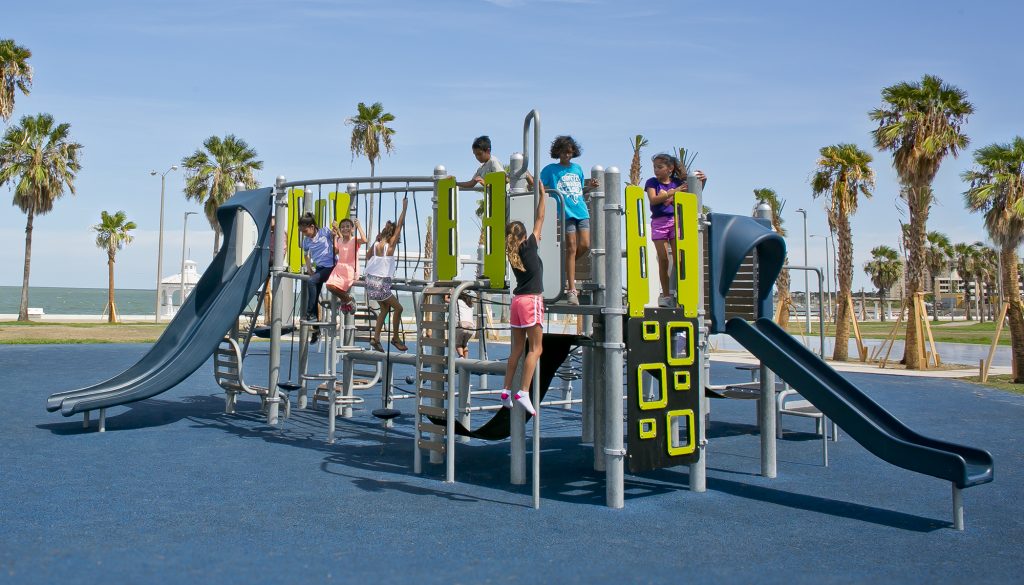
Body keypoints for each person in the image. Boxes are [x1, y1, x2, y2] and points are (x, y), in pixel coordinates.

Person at [500, 190, 546, 416]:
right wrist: (543, 195)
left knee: (517, 349)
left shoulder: (512, 252)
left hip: (517, 302)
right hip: (531, 301)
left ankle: (506, 390)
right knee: (536, 348)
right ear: (524, 236)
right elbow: (540, 218)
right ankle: (524, 391)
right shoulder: (529, 246)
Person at [539, 135, 598, 305]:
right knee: (571, 247)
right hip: (565, 212)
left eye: (570, 153)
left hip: (581, 210)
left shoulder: (578, 168)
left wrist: (590, 187)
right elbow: (539, 185)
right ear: (558, 152)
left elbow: (579, 191)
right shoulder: (550, 169)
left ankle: (565, 268)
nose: (567, 156)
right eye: (564, 152)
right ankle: (572, 289)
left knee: (585, 245)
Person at [645, 153, 707, 307]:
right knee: (663, 258)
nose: (656, 170)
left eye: (660, 167)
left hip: (675, 222)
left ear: (670, 168)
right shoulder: (652, 182)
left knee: (680, 259)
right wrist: (673, 192)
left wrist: (703, 181)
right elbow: (653, 199)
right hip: (659, 222)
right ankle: (666, 295)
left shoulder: (678, 182)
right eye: (654, 167)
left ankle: (681, 292)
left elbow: (693, 196)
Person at [365, 195, 409, 352]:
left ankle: (376, 339)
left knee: (384, 309)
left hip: (370, 283)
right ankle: (395, 338)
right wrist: (404, 209)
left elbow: (368, 256)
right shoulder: (390, 247)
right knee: (399, 309)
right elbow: (400, 226)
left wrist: (377, 239)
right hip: (381, 283)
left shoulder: (376, 245)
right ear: (392, 238)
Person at [298, 212, 335, 343]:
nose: (304, 233)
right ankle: (316, 330)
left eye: (305, 230)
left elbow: (336, 238)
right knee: (313, 297)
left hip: (330, 266)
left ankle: (310, 315)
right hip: (319, 268)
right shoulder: (306, 241)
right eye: (302, 231)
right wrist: (309, 269)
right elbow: (306, 255)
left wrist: (335, 230)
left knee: (311, 282)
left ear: (312, 226)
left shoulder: (324, 231)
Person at [325, 217, 366, 313]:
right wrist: (334, 235)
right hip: (339, 268)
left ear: (352, 229)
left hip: (350, 269)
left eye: (348, 226)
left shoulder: (354, 240)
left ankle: (346, 300)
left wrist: (358, 226)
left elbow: (365, 240)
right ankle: (347, 299)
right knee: (329, 285)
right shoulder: (340, 240)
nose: (345, 228)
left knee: (336, 287)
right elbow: (336, 251)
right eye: (342, 227)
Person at [454, 291, 476, 358]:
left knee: (458, 344)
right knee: (465, 344)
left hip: (461, 327)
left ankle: (461, 357)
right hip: (471, 328)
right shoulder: (470, 304)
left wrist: (447, 294)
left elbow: (446, 300)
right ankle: (466, 359)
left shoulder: (457, 301)